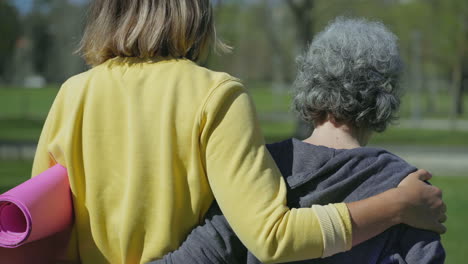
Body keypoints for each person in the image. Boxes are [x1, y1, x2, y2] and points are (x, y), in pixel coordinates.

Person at [30, 0, 445, 263]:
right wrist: (396, 205)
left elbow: (37, 231)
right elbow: (271, 237)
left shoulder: (72, 94)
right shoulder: (214, 94)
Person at [149, 18, 445, 264]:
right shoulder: (410, 190)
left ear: (309, 83)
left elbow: (199, 256)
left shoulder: (257, 170)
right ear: (386, 98)